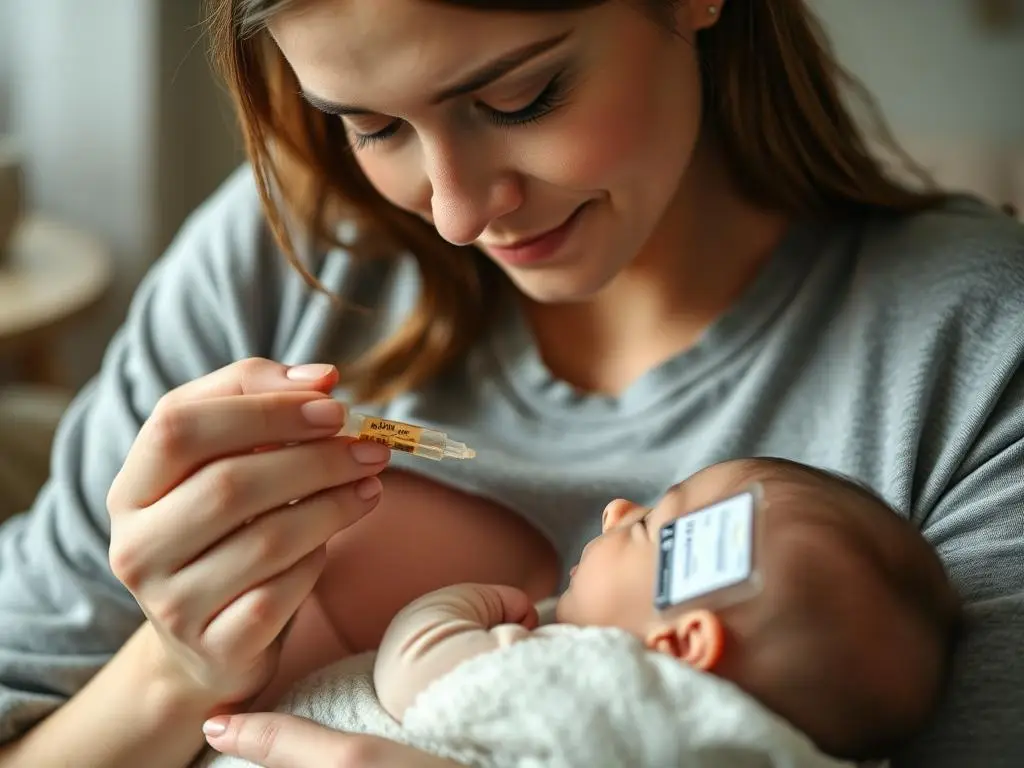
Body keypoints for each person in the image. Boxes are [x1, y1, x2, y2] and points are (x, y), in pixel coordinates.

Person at [0, 0, 1021, 766]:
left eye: (517, 97)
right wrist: (173, 671)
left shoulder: (977, 355)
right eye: (371, 125)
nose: (455, 213)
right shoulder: (276, 263)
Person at [199, 457, 961, 768]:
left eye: (648, 528)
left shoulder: (598, 689)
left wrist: (458, 609)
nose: (618, 509)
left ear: (683, 643)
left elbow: (418, 676)